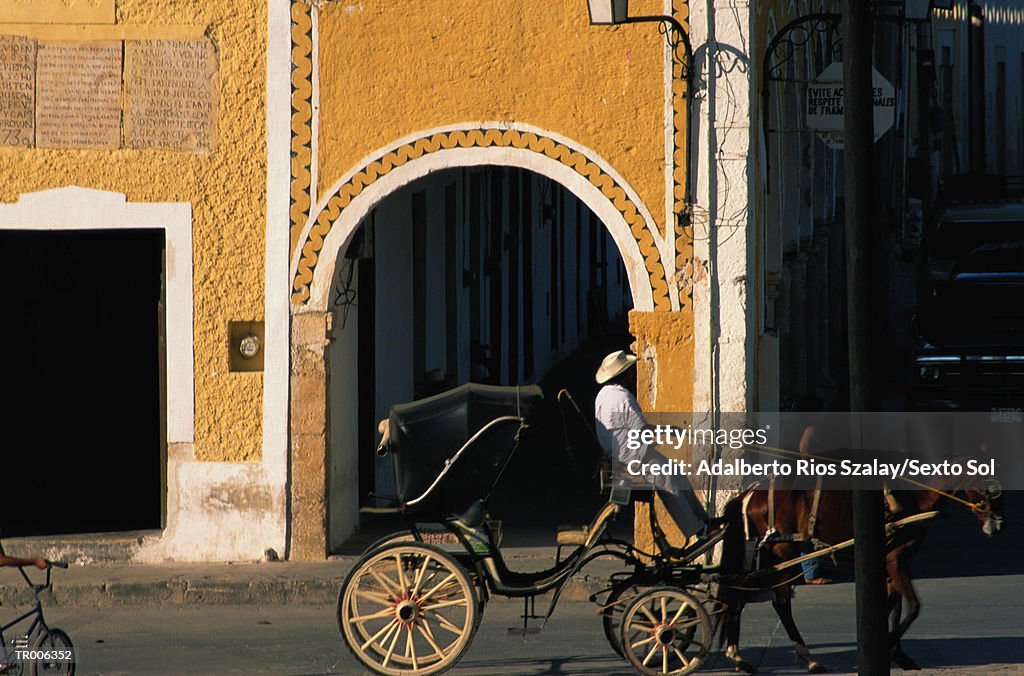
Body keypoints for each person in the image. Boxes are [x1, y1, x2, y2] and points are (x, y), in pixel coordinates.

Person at [593, 349, 724, 541]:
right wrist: (671, 432)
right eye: (630, 371)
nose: (633, 374)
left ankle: (704, 521)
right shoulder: (623, 398)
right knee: (670, 482)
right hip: (634, 456)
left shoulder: (604, 395)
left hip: (624, 453)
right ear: (623, 374)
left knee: (677, 474)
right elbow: (643, 430)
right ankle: (699, 530)